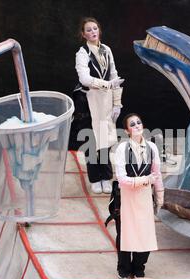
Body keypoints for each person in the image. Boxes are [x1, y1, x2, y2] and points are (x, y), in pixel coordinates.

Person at [72, 17, 124, 194]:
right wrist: (107, 85)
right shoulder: (82, 53)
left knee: (105, 138)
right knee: (92, 140)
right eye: (89, 30)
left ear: (99, 30)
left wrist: (117, 103)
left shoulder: (107, 50)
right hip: (88, 101)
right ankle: (95, 178)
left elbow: (114, 75)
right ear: (83, 34)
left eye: (95, 28)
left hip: (106, 102)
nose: (93, 32)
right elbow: (84, 79)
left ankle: (106, 176)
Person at [113, 113, 164, 279]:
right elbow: (122, 179)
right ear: (127, 130)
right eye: (132, 124)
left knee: (144, 232)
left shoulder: (152, 148)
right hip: (126, 197)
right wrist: (145, 180)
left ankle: (139, 266)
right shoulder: (122, 149)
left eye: (139, 122)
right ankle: (124, 267)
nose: (136, 125)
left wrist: (160, 194)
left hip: (143, 198)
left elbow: (157, 174)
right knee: (126, 234)